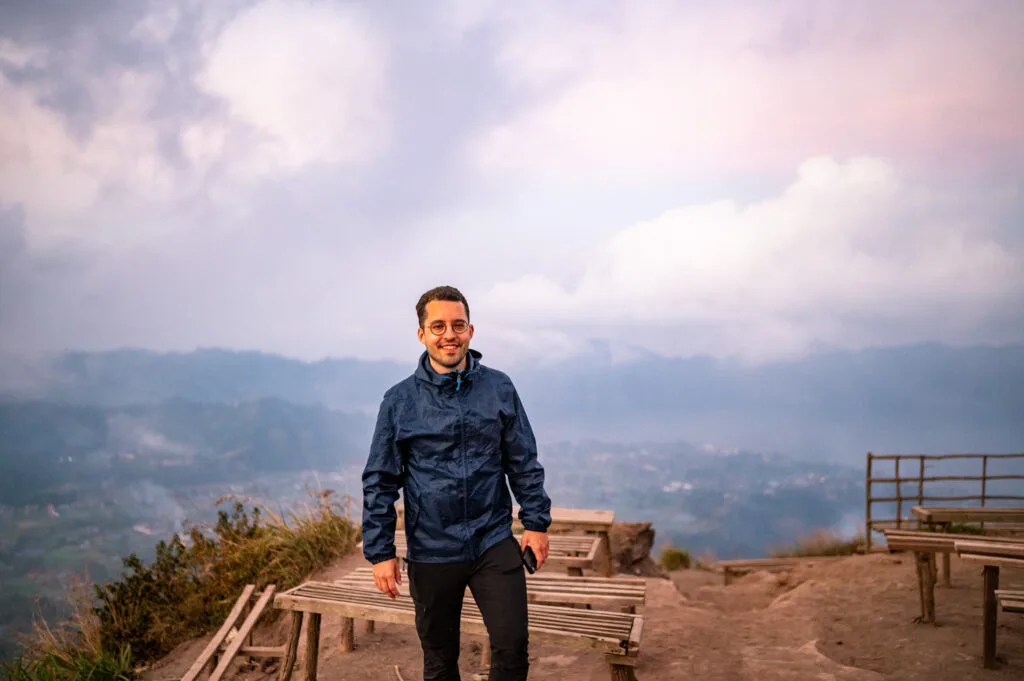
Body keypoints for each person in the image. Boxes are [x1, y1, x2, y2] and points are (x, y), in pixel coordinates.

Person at [361, 285, 553, 681]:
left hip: (491, 539)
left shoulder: (499, 387)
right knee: (440, 661)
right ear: (422, 334)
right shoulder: (399, 401)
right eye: (438, 326)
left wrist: (535, 523)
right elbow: (380, 480)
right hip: (432, 550)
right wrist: (380, 552)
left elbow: (522, 460)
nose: (449, 334)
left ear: (470, 330)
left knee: (512, 647)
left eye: (458, 325)